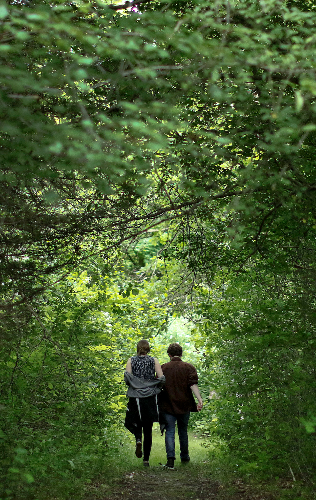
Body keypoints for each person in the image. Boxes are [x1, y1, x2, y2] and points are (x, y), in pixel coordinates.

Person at [159, 342, 203, 469]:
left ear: (169, 354)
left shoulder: (163, 368)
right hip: (185, 404)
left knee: (170, 432)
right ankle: (185, 457)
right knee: (183, 431)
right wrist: (199, 399)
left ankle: (171, 459)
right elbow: (193, 385)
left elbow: (158, 386)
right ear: (181, 353)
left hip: (168, 405)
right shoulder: (188, 368)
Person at [124, 339, 165, 467]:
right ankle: (146, 460)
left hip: (135, 396)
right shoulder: (154, 360)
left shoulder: (131, 360)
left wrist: (135, 384)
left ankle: (137, 439)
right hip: (150, 396)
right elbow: (161, 377)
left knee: (134, 421)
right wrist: (157, 387)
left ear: (138, 348)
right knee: (148, 428)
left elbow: (127, 377)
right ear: (148, 348)